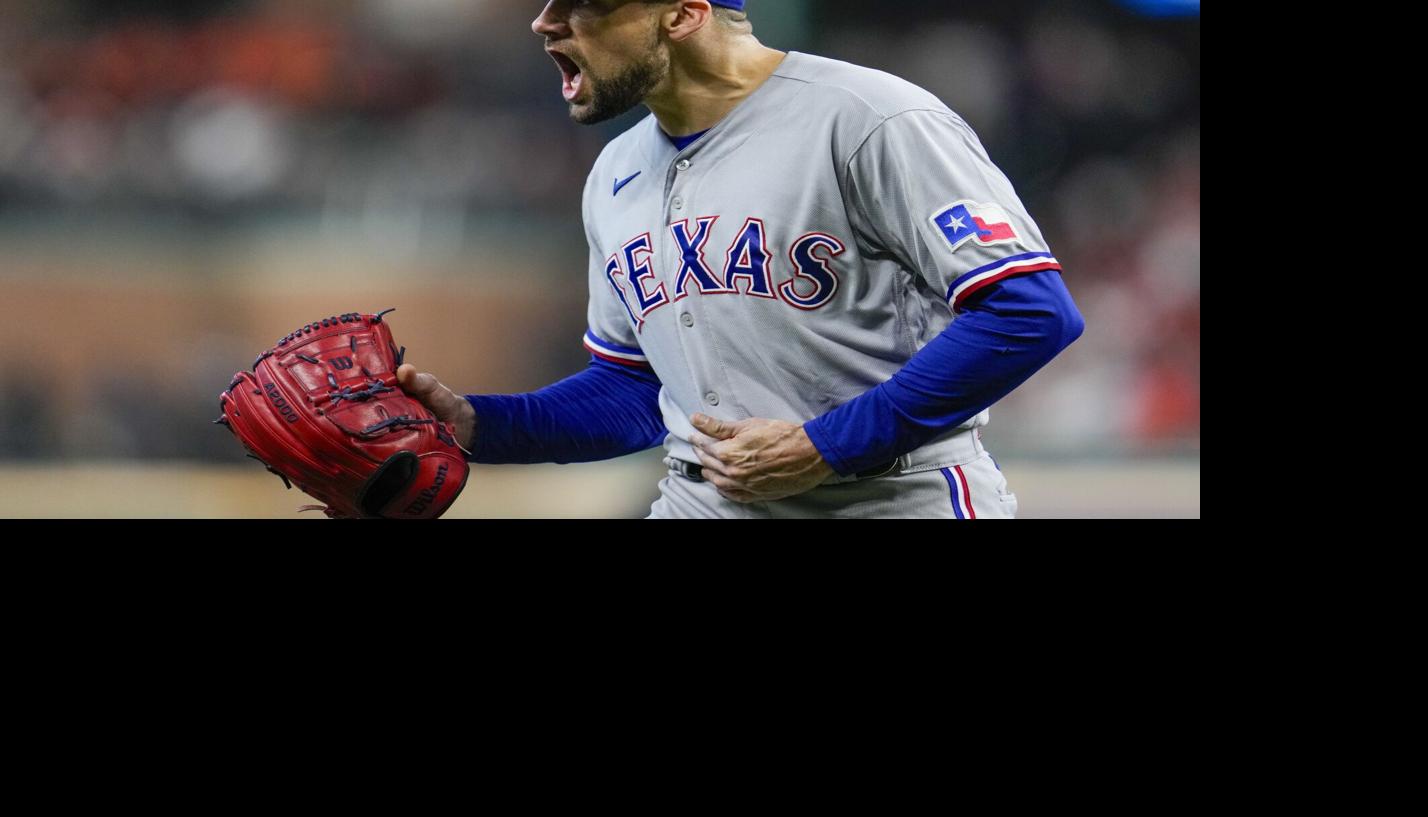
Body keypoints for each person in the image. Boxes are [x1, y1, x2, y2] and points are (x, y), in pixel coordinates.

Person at [397, 0, 1084, 518]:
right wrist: (480, 426)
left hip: (889, 499)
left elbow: (1028, 311)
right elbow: (635, 391)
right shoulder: (615, 171)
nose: (547, 23)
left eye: (586, 3)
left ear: (683, 14)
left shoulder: (869, 118)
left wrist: (826, 445)